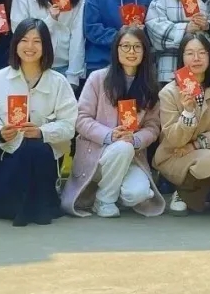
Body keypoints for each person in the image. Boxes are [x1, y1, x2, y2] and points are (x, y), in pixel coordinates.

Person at [0, 19, 77, 226]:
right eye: (24, 40)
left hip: (45, 158)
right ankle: (28, 206)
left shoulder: (58, 82)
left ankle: (34, 205)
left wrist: (42, 132)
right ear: (15, 44)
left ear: (46, 46)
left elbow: (69, 124)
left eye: (37, 41)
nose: (30, 46)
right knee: (24, 151)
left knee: (35, 147)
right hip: (10, 154)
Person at [61, 26, 164, 218]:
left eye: (137, 47)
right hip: (97, 155)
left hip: (131, 156)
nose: (131, 52)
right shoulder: (98, 78)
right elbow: (81, 118)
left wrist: (135, 139)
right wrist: (109, 135)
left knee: (138, 194)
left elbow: (153, 127)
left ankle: (110, 191)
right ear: (116, 49)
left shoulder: (149, 85)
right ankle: (104, 200)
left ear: (145, 51)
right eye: (125, 46)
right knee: (122, 147)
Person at [155, 32, 210, 214]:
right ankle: (183, 192)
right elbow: (175, 140)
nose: (196, 58)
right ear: (182, 57)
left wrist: (196, 144)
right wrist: (187, 112)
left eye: (202, 53)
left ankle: (207, 192)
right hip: (175, 155)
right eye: (190, 53)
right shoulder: (168, 93)